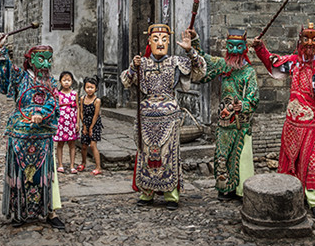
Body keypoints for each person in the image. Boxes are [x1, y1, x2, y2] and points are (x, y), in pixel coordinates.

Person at [251, 23, 315, 220]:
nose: (309, 44)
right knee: (289, 158)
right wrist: (259, 48)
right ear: (300, 42)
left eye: (313, 40)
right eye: (305, 40)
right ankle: (288, 193)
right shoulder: (294, 63)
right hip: (292, 122)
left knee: (313, 162)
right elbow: (273, 62)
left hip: (310, 125)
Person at [120, 23, 206, 209]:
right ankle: (147, 192)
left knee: (168, 155)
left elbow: (200, 71)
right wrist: (133, 68)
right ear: (149, 41)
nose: (160, 43)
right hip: (146, 116)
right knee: (146, 154)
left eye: (165, 40)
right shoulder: (141, 62)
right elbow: (126, 81)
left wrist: (190, 50)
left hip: (169, 116)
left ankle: (171, 195)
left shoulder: (176, 62)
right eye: (156, 39)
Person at [0, 34, 64, 230]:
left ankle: (49, 211)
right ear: (30, 61)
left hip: (42, 135)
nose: (46, 63)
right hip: (20, 133)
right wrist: (0, 49)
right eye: (41, 59)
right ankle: (19, 211)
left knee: (44, 174)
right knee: (20, 174)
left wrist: (42, 113)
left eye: (49, 59)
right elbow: (4, 74)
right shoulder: (20, 77)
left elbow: (54, 103)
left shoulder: (52, 83)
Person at [189, 27, 259, 200]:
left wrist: (242, 105)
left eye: (238, 46)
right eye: (231, 46)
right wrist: (194, 41)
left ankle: (241, 189)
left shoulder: (249, 72)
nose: (234, 50)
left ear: (245, 48)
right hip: (224, 120)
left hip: (240, 123)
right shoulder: (223, 65)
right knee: (222, 155)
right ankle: (224, 188)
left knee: (240, 156)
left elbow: (254, 97)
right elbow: (205, 59)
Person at [54, 71, 80, 174]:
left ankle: (72, 165)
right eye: (64, 80)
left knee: (72, 144)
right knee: (60, 144)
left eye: (68, 80)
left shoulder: (74, 94)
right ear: (60, 82)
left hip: (71, 122)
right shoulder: (58, 95)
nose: (66, 82)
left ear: (72, 81)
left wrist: (78, 123)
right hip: (61, 122)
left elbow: (77, 108)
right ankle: (60, 164)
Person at [78, 77, 103, 175]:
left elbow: (96, 115)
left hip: (95, 123)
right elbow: (81, 112)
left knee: (93, 145)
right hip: (85, 122)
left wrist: (91, 127)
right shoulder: (82, 98)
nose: (89, 89)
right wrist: (84, 126)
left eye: (92, 87)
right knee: (84, 145)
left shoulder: (97, 100)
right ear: (84, 88)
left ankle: (98, 167)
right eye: (87, 87)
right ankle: (83, 163)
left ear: (96, 89)